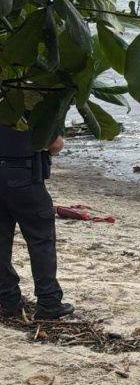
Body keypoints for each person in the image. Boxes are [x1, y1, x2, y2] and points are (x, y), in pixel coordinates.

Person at [0, 127, 73, 320]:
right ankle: (49, 302)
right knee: (41, 240)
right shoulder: (32, 102)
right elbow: (54, 144)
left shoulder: (7, 98)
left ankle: (8, 299)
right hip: (24, 176)